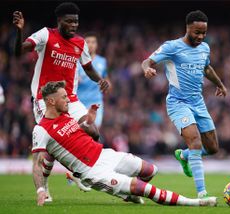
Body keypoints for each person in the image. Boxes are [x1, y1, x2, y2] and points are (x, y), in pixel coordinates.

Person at [31, 81, 218, 207]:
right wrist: (40, 189)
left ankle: (126, 192)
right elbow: (38, 163)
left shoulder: (68, 116)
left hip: (105, 155)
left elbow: (88, 137)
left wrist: (88, 122)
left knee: (150, 170)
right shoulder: (42, 129)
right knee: (140, 187)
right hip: (92, 171)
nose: (67, 100)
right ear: (51, 101)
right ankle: (194, 202)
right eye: (64, 97)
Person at [13, 2, 109, 202]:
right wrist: (19, 32)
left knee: (93, 131)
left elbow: (88, 68)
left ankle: (81, 173)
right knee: (51, 144)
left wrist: (100, 79)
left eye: (76, 22)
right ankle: (44, 187)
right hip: (45, 100)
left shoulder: (80, 42)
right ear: (59, 21)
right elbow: (19, 51)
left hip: (70, 99)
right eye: (69, 21)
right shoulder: (46, 35)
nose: (74, 25)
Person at [141, 10, 227, 198]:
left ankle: (184, 155)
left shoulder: (204, 48)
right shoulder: (172, 47)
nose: (200, 36)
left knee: (213, 148)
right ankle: (202, 193)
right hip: (178, 102)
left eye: (203, 33)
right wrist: (147, 68)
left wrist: (220, 84)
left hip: (198, 102)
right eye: (197, 32)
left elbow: (206, 68)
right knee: (195, 141)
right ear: (187, 28)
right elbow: (147, 60)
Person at [77, 32, 111, 128]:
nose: (91, 45)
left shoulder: (102, 61)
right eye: (88, 42)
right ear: (84, 44)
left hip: (96, 101)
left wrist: (108, 85)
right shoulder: (77, 61)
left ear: (97, 45)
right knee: (81, 131)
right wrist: (76, 79)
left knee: (95, 130)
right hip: (80, 102)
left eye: (93, 42)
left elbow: (106, 79)